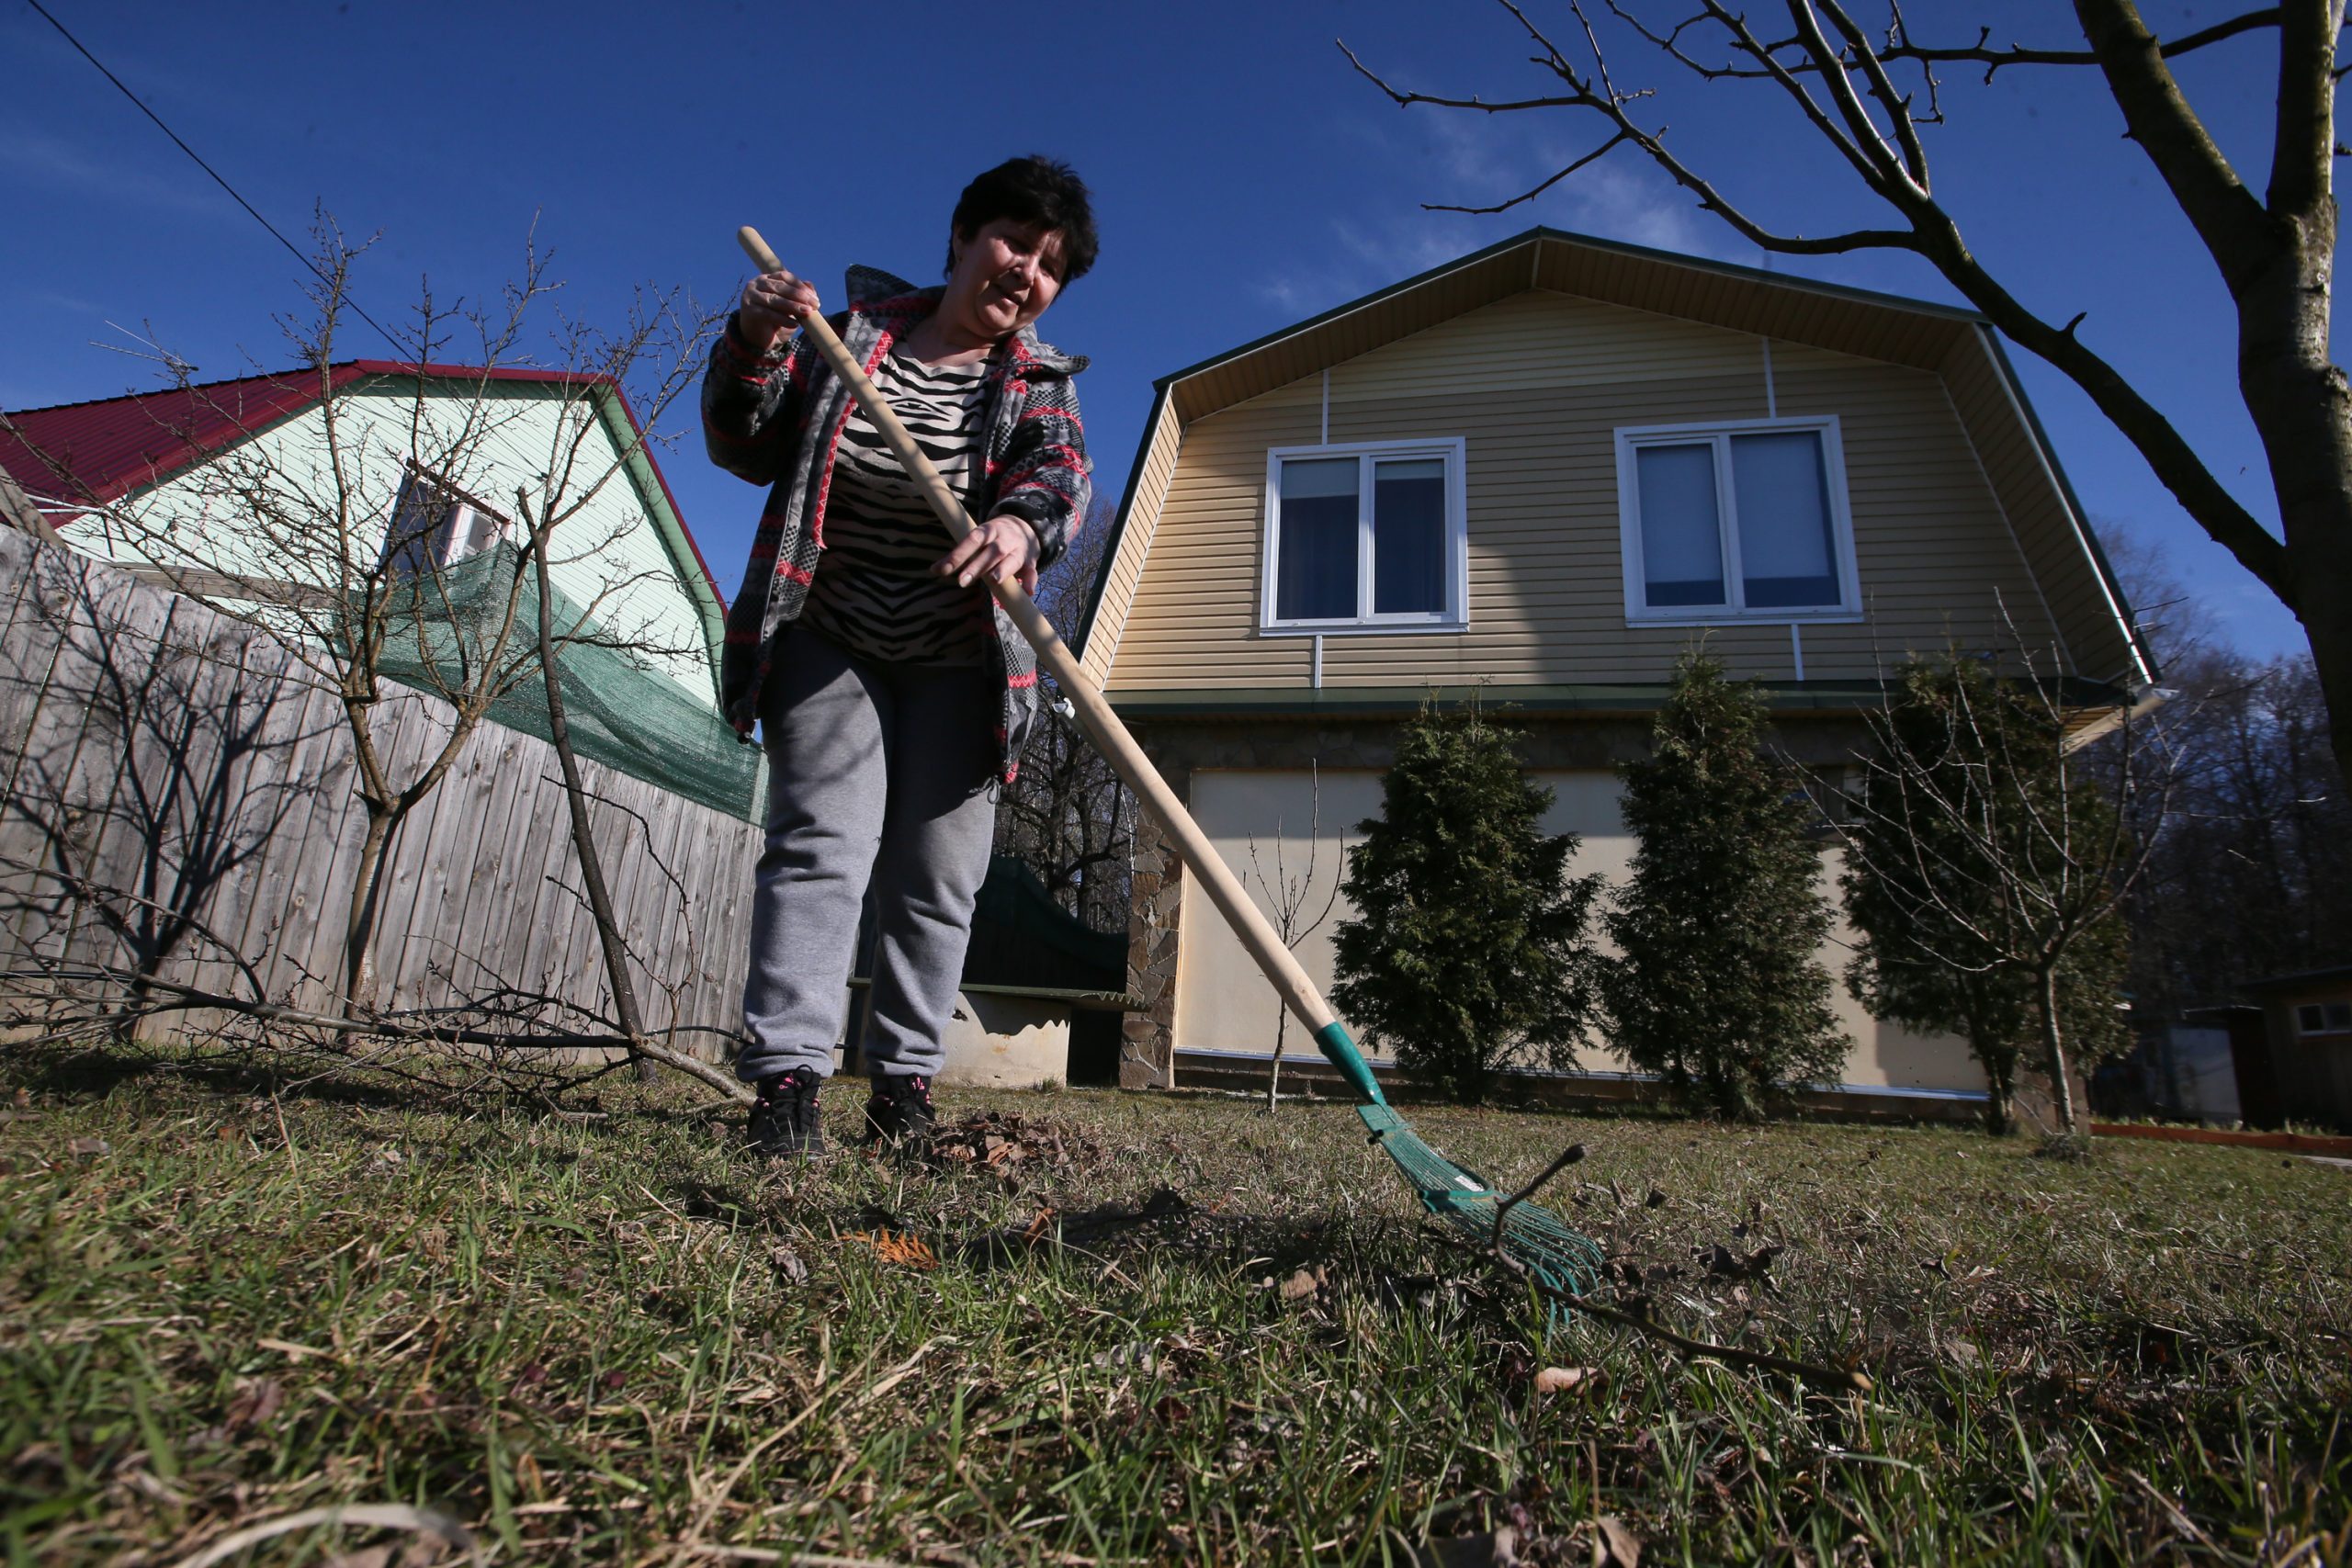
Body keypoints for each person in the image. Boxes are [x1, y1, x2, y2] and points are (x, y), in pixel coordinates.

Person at [703, 156, 1096, 1157]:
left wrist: (1017, 526)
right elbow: (742, 444)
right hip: (829, 633)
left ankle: (903, 1093)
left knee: (938, 880)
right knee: (819, 849)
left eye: (1050, 265)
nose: (1025, 271)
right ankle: (787, 1082)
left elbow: (1058, 476)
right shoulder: (851, 340)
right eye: (1015, 240)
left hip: (959, 660)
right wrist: (755, 340)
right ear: (964, 236)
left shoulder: (1037, 382)